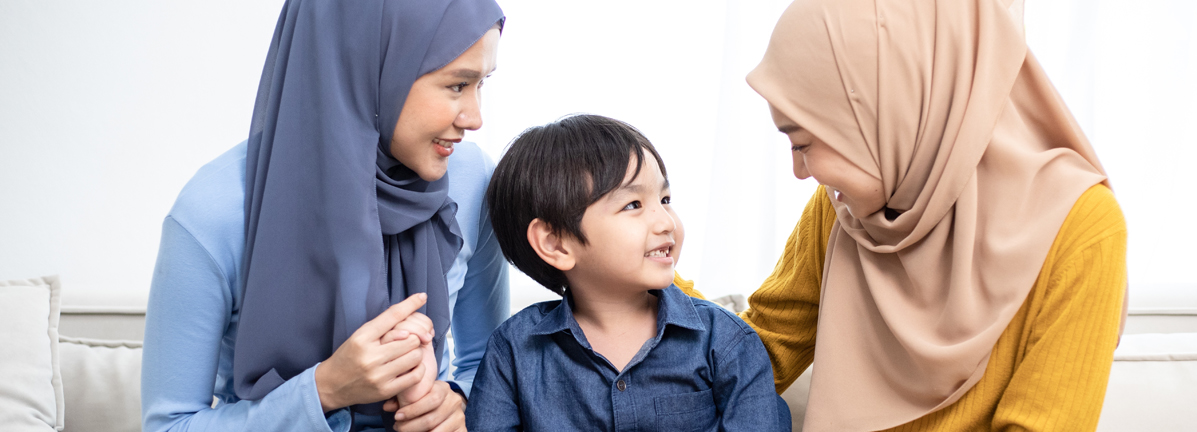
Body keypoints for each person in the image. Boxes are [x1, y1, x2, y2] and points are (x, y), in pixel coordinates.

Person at [675, 0, 1129, 430]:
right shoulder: (840, 213)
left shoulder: (1081, 228)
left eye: (803, 143)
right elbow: (753, 360)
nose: (799, 172)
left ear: (883, 108)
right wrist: (642, 273)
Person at [140, 0, 509, 431]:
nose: (476, 118)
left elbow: (490, 366)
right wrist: (325, 390)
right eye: (456, 85)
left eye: (481, 83)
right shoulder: (215, 211)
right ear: (372, 67)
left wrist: (459, 400)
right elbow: (168, 425)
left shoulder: (472, 178)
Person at [465, 115, 792, 431]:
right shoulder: (513, 350)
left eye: (665, 199)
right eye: (633, 204)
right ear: (556, 244)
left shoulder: (727, 341)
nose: (666, 222)